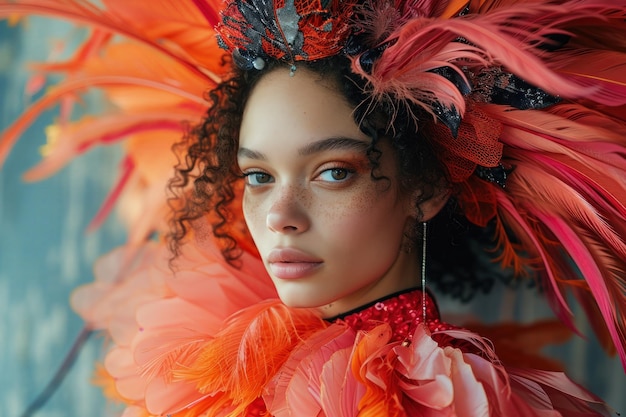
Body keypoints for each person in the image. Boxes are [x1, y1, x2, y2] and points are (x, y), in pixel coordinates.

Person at [1, 0, 625, 416]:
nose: (280, 216)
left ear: (425, 187)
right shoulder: (213, 365)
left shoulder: (458, 401)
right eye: (259, 175)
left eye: (332, 172)